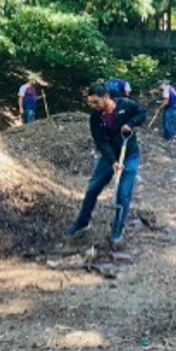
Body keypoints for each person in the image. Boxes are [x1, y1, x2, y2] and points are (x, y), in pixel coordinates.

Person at [65, 83, 147, 243]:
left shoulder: (126, 104)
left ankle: (117, 228)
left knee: (123, 193)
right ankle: (82, 222)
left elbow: (142, 113)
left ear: (106, 98)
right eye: (90, 102)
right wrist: (113, 162)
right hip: (109, 155)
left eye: (95, 102)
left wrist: (130, 124)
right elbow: (101, 142)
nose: (92, 105)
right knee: (92, 188)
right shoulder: (95, 117)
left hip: (129, 154)